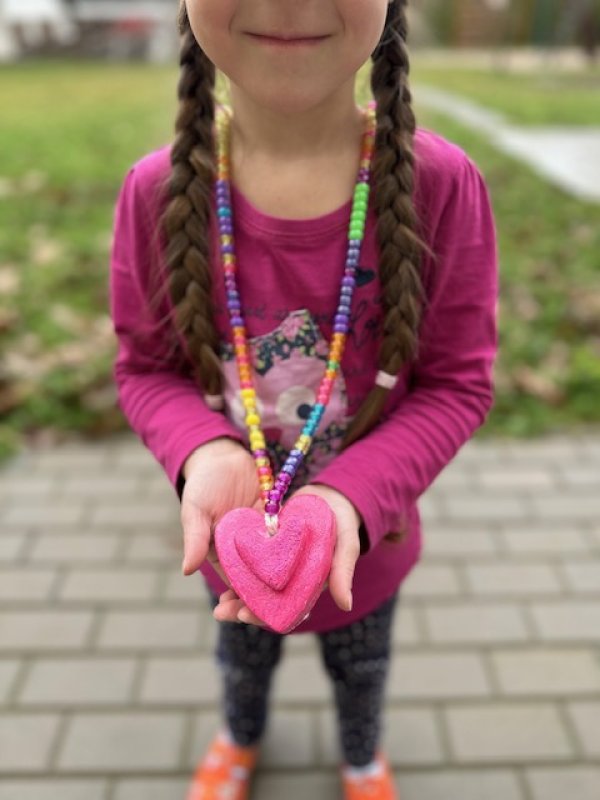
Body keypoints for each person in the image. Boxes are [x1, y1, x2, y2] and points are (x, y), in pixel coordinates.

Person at [109, 1, 499, 798]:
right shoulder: (155, 192)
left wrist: (346, 501)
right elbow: (146, 368)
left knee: (363, 668)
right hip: (233, 552)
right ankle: (238, 739)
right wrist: (206, 453)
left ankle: (361, 760)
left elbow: (457, 382)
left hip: (371, 554)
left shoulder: (443, 185)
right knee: (240, 661)